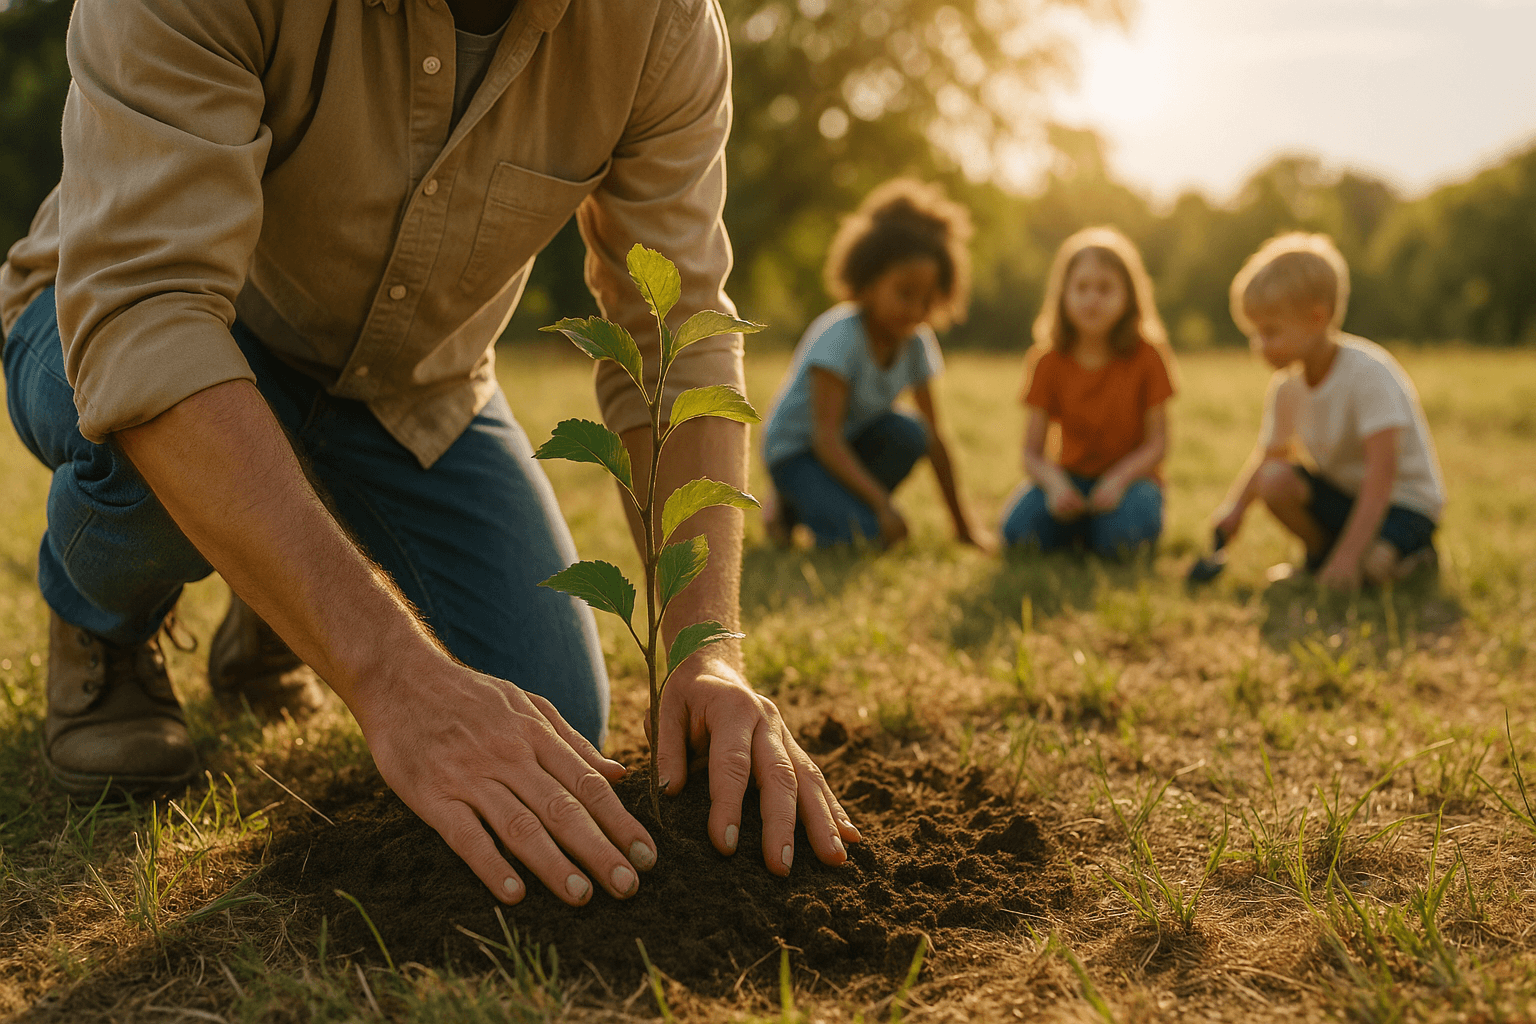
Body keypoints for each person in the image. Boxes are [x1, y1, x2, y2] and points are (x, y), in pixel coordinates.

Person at [0, 0, 859, 909]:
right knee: (151, 464)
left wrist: (704, 649)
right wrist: (390, 673)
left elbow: (675, 336)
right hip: (126, 322)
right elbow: (148, 313)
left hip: (409, 387)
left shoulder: (659, 22)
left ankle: (282, 594)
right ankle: (108, 623)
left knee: (556, 718)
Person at [759, 179, 984, 550]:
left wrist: (963, 527)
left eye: (927, 299)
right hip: (799, 453)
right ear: (868, 280)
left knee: (911, 433)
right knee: (867, 537)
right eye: (904, 293)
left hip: (849, 444)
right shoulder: (840, 338)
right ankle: (790, 503)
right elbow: (825, 438)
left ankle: (821, 508)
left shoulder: (916, 341)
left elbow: (934, 437)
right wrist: (882, 506)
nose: (915, 310)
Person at [1211, 233, 1445, 588]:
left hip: (1402, 505)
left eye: (1270, 332)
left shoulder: (1369, 375)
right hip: (1346, 497)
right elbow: (1268, 456)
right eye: (1254, 333)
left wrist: (1349, 560)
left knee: (1373, 572)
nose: (1259, 346)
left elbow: (1381, 481)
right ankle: (1323, 561)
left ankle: (1410, 556)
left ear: (1317, 319)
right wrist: (1235, 509)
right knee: (1274, 480)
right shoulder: (1287, 386)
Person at [1000, 227, 1177, 556]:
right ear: (1063, 294)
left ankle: (1095, 530)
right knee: (1017, 535)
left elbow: (1158, 444)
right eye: (1081, 287)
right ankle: (1082, 525)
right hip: (1070, 477)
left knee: (1121, 542)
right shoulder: (1047, 360)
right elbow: (1031, 453)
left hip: (1133, 480)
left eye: (1106, 288)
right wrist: (1055, 486)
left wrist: (1118, 479)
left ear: (1129, 297)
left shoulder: (1148, 356)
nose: (1092, 298)